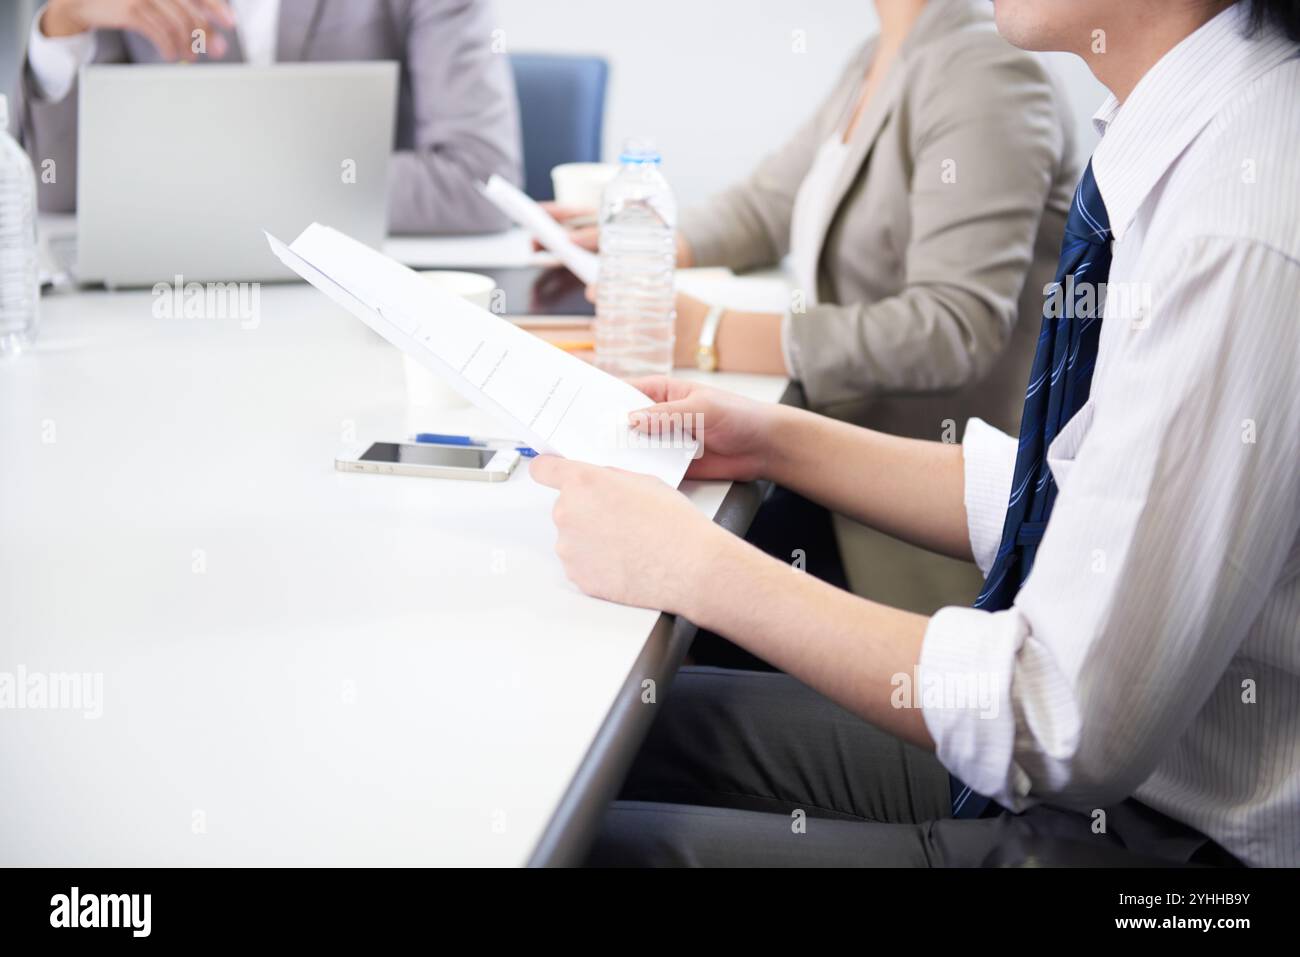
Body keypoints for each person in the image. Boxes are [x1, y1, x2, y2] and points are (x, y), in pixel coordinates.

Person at [532, 0, 1300, 867]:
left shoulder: (1236, 225)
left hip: (1174, 852)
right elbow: (1078, 491)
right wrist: (773, 437)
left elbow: (1057, 715)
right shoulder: (1190, 127)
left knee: (599, 833)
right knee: (624, 731)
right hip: (1131, 777)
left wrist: (693, 564)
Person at [559, 0, 1081, 617]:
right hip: (837, 470)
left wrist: (715, 333)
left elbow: (952, 329)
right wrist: (637, 233)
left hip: (912, 530)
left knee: (627, 588)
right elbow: (768, 204)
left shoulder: (983, 68)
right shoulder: (882, 54)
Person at [11, 0, 522, 234]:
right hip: (156, 316)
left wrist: (212, 193)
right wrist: (66, 24)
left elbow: (478, 180)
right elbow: (57, 193)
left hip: (364, 304)